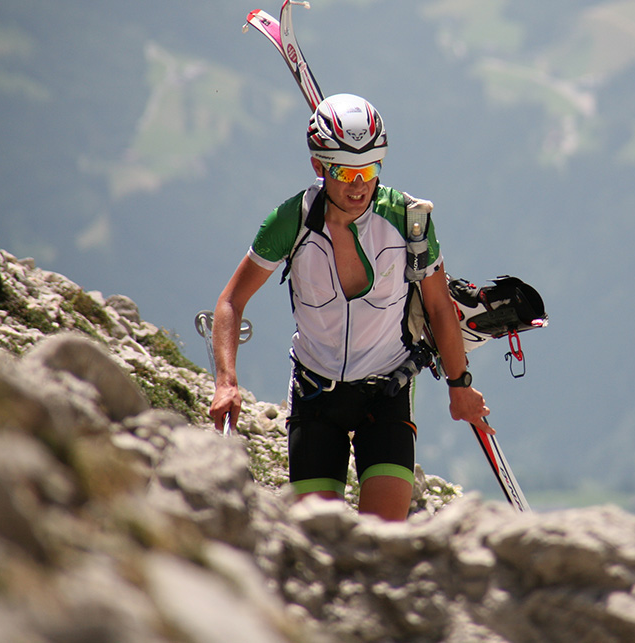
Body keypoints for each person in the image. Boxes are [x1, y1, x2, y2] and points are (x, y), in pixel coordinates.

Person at [208, 93, 490, 521]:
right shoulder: (291, 222)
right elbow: (231, 300)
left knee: (383, 538)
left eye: (369, 170)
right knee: (320, 541)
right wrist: (226, 381)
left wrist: (460, 385)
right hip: (316, 396)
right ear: (319, 166)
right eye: (344, 171)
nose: (359, 185)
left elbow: (438, 307)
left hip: (387, 393)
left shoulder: (408, 219)